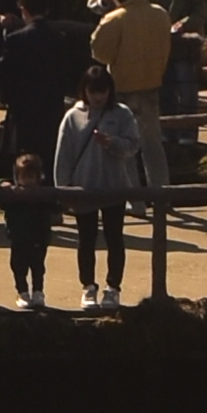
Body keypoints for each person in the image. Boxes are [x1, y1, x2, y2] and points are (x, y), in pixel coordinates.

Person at [48, 74, 158, 302]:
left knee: (114, 238)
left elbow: (133, 146)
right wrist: (63, 189)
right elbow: (63, 155)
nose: (98, 97)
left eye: (102, 91)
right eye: (93, 91)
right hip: (83, 189)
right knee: (86, 240)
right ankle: (88, 286)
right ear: (84, 90)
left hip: (114, 187)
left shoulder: (122, 113)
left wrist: (112, 142)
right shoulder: (72, 117)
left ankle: (113, 287)